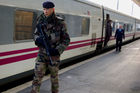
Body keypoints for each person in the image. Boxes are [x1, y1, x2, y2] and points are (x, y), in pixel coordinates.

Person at [31, 1, 70, 93]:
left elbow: (66, 40)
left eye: (47, 9)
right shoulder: (40, 20)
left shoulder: (60, 23)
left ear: (53, 9)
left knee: (54, 79)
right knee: (37, 78)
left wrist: (57, 50)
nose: (45, 11)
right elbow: (35, 34)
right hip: (42, 54)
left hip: (54, 56)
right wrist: (37, 40)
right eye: (44, 9)